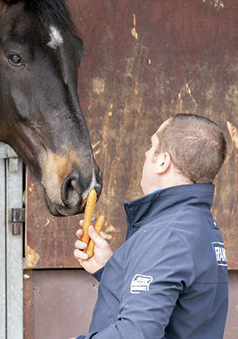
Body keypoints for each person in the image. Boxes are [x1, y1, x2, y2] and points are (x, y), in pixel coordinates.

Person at [72, 114, 229, 339]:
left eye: (152, 145)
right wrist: (110, 268)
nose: (146, 153)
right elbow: (181, 308)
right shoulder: (199, 225)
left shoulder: (167, 235)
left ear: (163, 161)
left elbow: (136, 334)